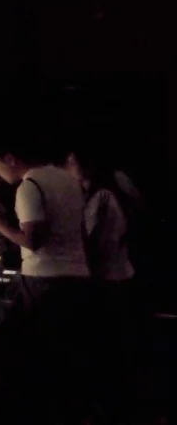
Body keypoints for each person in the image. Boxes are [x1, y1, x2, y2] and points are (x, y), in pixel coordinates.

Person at [0, 147, 91, 424]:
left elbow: (33, 241)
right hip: (78, 276)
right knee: (69, 357)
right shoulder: (67, 179)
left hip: (46, 281)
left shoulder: (29, 186)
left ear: (10, 158)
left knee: (46, 356)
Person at [67, 149, 140, 419]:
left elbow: (88, 242)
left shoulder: (101, 196)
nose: (67, 168)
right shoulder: (115, 186)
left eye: (71, 162)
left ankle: (109, 409)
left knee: (108, 349)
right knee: (118, 348)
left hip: (108, 280)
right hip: (122, 275)